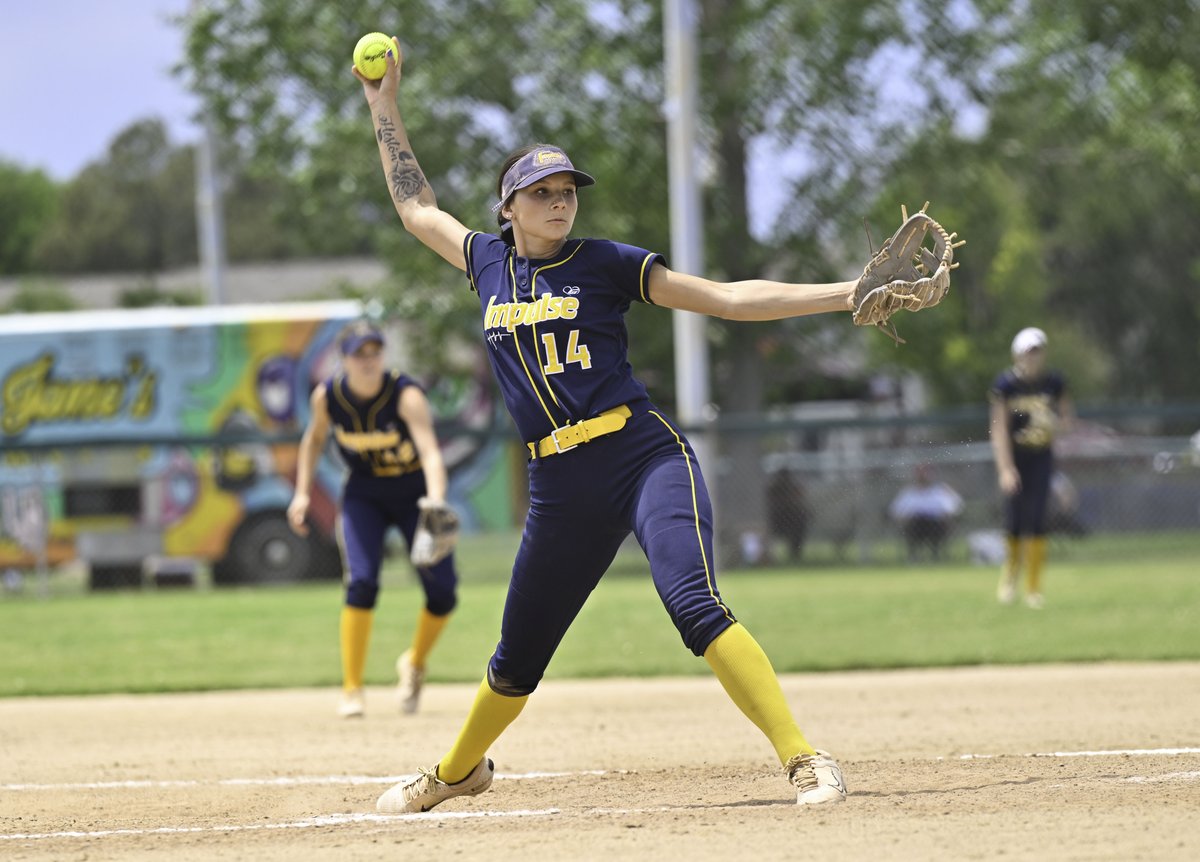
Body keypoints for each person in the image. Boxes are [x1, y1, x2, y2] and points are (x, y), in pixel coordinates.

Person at [356, 38, 873, 813]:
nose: (560, 202)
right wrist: (384, 104)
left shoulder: (603, 263)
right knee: (517, 658)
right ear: (507, 208)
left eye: (567, 190)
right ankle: (458, 771)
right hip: (559, 485)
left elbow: (726, 299)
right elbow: (414, 207)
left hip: (640, 457)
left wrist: (847, 293)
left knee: (693, 602)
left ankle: (804, 758)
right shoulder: (486, 264)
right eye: (541, 192)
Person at [288, 320, 458, 718]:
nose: (368, 360)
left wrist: (435, 502)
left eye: (374, 351)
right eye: (358, 353)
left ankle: (414, 664)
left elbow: (430, 452)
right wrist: (301, 493)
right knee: (361, 582)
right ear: (343, 359)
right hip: (364, 495)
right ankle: (352, 689)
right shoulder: (328, 396)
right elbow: (313, 440)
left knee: (443, 593)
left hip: (414, 495)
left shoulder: (405, 394)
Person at [988, 327, 1074, 609]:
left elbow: (1067, 422)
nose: (1033, 357)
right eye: (1028, 352)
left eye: (1037, 351)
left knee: (1037, 520)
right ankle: (1010, 578)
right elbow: (999, 430)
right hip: (1016, 458)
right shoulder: (1006, 385)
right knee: (1014, 521)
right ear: (1017, 355)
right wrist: (1005, 469)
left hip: (1041, 457)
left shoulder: (1054, 382)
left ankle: (1034, 588)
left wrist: (1054, 423)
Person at [888, 464, 963, 562]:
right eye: (920, 473)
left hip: (936, 524)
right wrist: (903, 519)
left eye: (926, 473)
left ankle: (936, 555)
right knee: (915, 523)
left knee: (936, 524)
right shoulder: (908, 492)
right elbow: (896, 510)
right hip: (915, 524)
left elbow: (957, 507)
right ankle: (914, 556)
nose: (923, 476)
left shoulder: (941, 490)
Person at [767, 469, 809, 563]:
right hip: (777, 519)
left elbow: (800, 496)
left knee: (800, 524)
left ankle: (795, 554)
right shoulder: (774, 488)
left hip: (792, 520)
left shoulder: (792, 487)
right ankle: (771, 555)